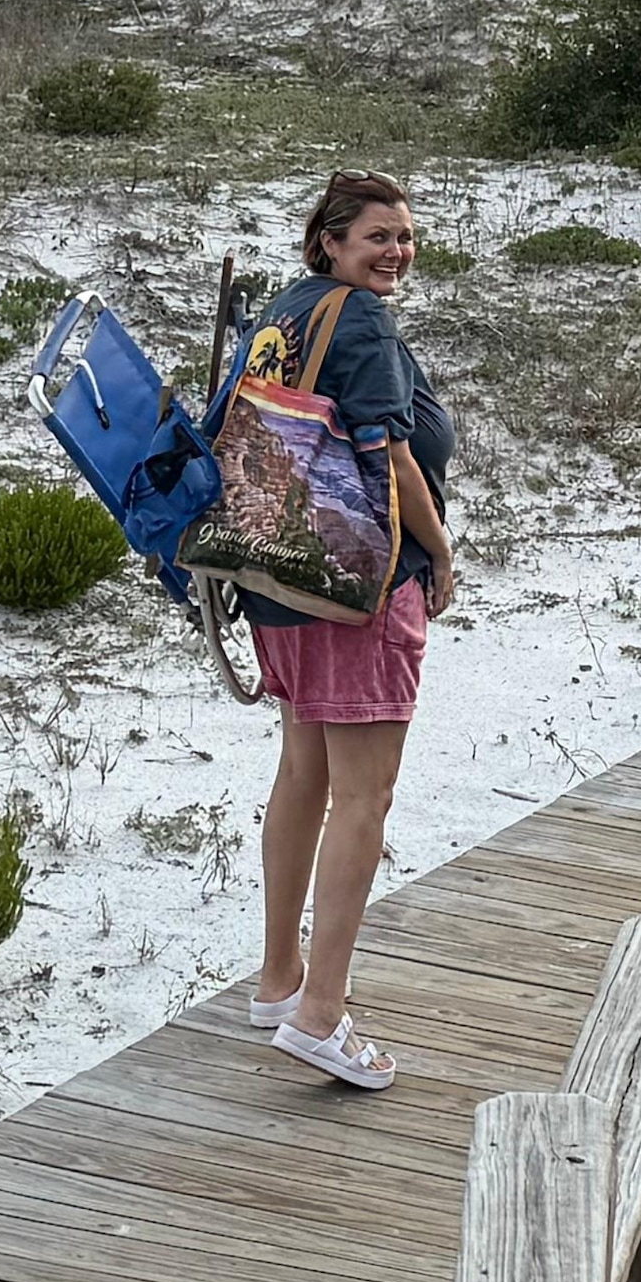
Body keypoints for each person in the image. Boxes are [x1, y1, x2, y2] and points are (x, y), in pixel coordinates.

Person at [239, 169, 459, 1091]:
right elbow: (391, 454)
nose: (396, 251)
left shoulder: (288, 308)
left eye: (404, 235)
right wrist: (438, 550)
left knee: (304, 771)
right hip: (354, 583)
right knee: (365, 796)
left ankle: (279, 979)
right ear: (329, 241)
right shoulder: (361, 321)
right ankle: (322, 1013)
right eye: (377, 236)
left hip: (276, 572)